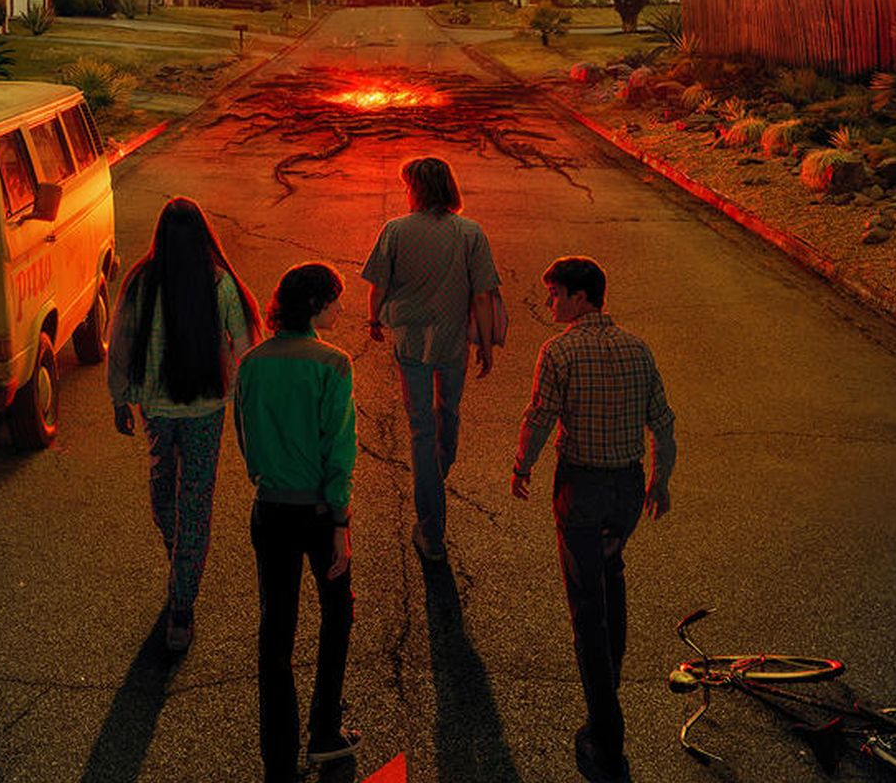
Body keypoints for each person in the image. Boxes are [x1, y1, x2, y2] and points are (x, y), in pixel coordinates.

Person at [510, 256, 676, 783]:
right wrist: (659, 482)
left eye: (555, 294)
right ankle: (610, 684)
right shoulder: (638, 347)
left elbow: (540, 416)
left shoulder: (558, 351)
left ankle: (605, 735)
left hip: (580, 488)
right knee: (610, 575)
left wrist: (522, 465)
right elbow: (662, 423)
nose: (549, 303)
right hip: (625, 489)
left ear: (580, 298)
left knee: (586, 609)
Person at [107, 196, 262, 655]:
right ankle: (185, 568)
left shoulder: (149, 282)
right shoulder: (213, 283)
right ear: (202, 237)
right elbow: (246, 347)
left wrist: (119, 398)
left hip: (176, 409)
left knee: (171, 497)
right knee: (184, 501)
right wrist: (247, 395)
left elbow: (120, 344)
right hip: (188, 409)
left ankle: (181, 605)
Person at [234, 263, 360, 783]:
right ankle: (324, 730)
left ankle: (278, 756)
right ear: (314, 305)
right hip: (318, 512)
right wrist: (340, 521)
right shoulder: (333, 364)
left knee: (276, 630)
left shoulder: (251, 364)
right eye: (334, 300)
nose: (340, 309)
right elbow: (340, 449)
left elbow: (244, 437)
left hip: (270, 508)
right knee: (337, 613)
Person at [362, 156, 501, 563]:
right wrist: (486, 344)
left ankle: (430, 526)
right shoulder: (470, 233)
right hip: (452, 345)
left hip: (411, 344)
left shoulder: (395, 231)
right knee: (448, 414)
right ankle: (435, 481)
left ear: (416, 190)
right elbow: (482, 295)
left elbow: (378, 286)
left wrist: (374, 319)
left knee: (421, 430)